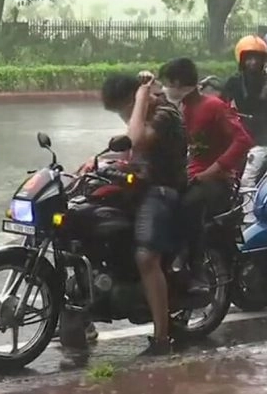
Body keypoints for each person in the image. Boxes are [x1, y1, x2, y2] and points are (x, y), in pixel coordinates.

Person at [100, 72, 188, 355]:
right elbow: (129, 151)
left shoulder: (165, 114)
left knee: (146, 256)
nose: (125, 118)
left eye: (124, 110)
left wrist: (139, 99)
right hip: (137, 187)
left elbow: (136, 140)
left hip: (162, 189)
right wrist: (97, 161)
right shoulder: (144, 112)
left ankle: (162, 338)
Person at [153, 58, 254, 289]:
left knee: (187, 205)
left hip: (216, 181)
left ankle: (195, 267)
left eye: (167, 83)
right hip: (189, 176)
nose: (166, 88)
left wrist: (213, 171)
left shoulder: (214, 106)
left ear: (178, 82)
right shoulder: (179, 108)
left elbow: (243, 140)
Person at [221, 35, 267, 188]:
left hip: (263, 137)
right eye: (249, 58)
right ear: (241, 60)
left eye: (257, 58)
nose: (253, 62)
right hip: (240, 134)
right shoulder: (235, 80)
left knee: (248, 180)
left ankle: (249, 210)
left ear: (263, 60)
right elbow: (221, 102)